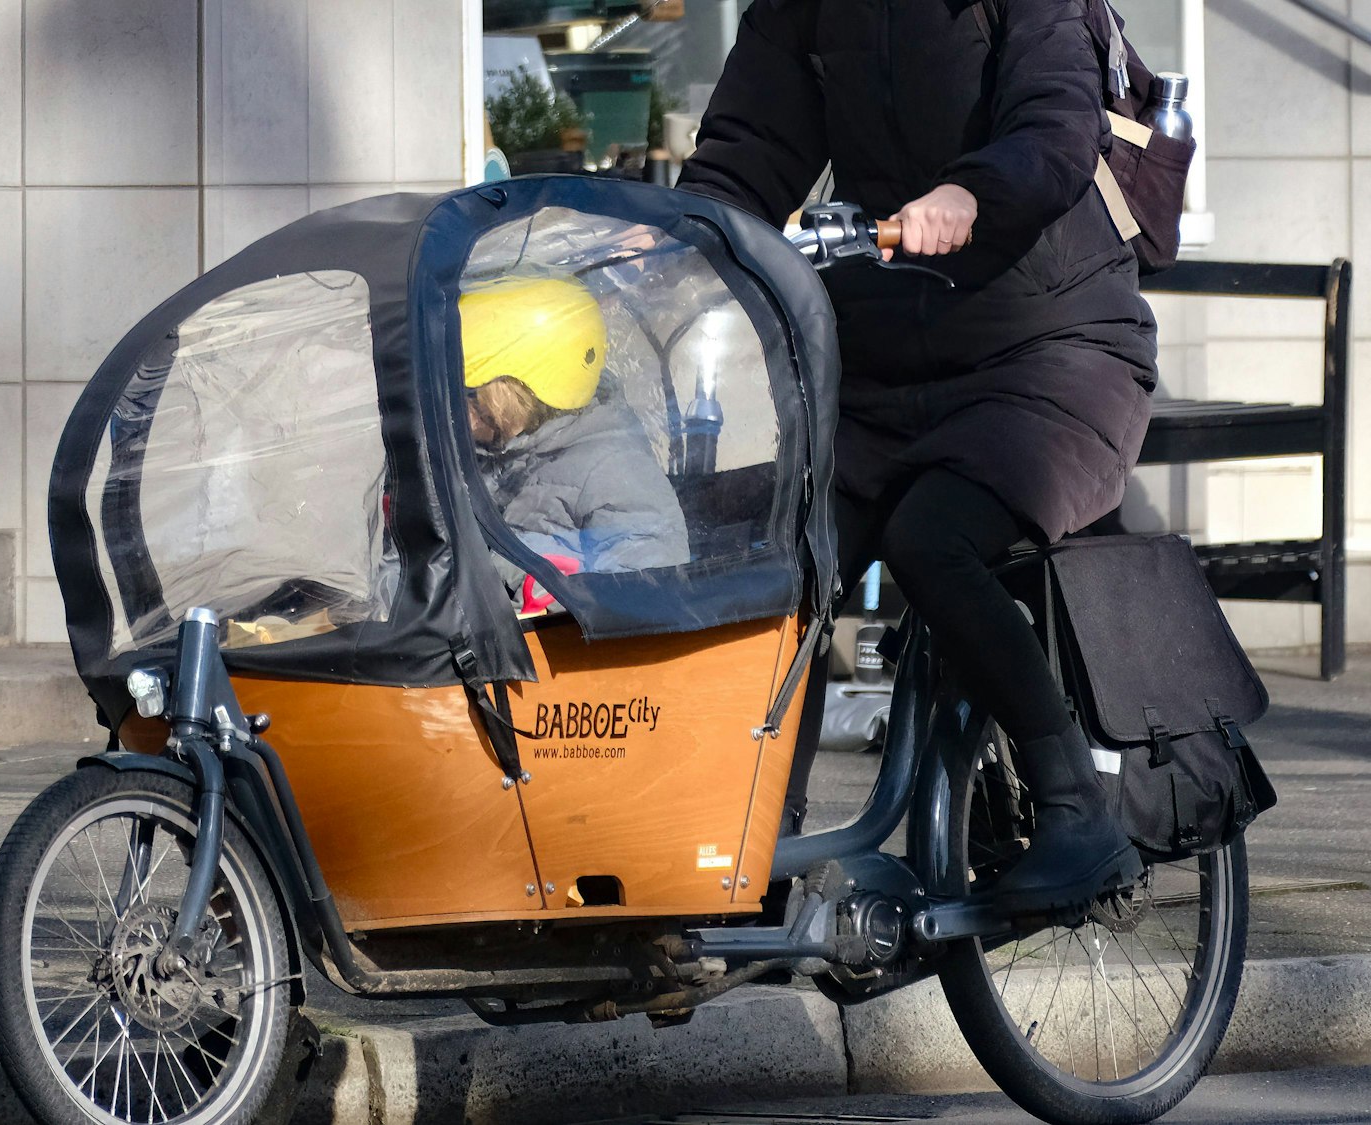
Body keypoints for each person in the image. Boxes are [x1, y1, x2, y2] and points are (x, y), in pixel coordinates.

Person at [675, 0, 1156, 915]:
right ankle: (758, 847)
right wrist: (675, 237)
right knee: (781, 558)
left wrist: (970, 193)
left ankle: (1077, 811)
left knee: (933, 538)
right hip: (888, 362)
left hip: (1050, 349)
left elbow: (1055, 124)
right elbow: (750, 143)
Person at [460, 275, 691, 598]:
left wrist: (527, 587)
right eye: (460, 394)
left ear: (526, 393)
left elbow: (647, 599)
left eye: (478, 402)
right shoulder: (493, 450)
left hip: (541, 642)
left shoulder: (612, 471)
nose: (466, 419)